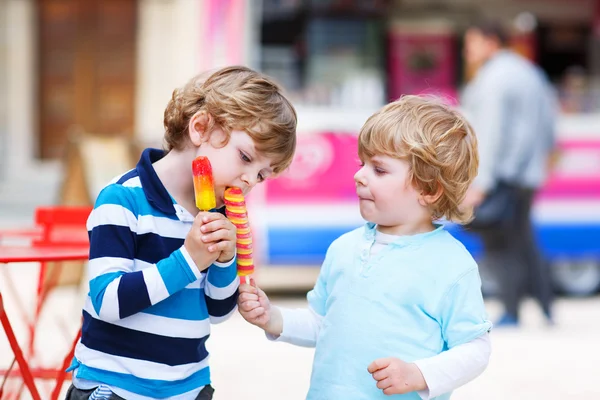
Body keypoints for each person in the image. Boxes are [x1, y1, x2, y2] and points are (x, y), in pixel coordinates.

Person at [65, 66, 297, 400]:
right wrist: (188, 260)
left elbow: (218, 312)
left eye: (261, 174)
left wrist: (225, 259)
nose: (248, 180)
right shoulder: (123, 199)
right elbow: (108, 301)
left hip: (188, 388)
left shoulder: (219, 216)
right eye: (245, 157)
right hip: (115, 387)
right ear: (201, 127)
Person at [238, 95, 492, 399]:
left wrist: (419, 374)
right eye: (363, 164)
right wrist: (274, 318)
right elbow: (322, 323)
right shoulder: (343, 248)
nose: (359, 175)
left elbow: (475, 348)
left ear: (428, 188)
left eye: (379, 170)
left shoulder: (452, 264)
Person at [461, 20, 557, 327]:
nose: (467, 51)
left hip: (502, 173)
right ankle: (546, 305)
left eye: (471, 43)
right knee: (524, 239)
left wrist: (482, 183)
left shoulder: (493, 79)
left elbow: (491, 133)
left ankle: (512, 310)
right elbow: (549, 125)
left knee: (500, 243)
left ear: (491, 43)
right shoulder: (529, 72)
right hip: (528, 173)